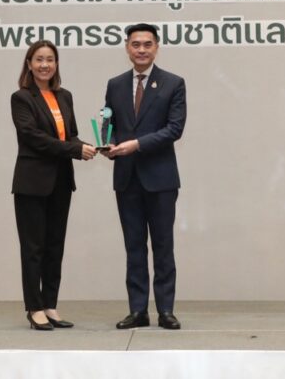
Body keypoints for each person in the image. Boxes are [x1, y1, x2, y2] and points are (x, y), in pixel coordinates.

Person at [102, 23, 187, 330]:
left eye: (147, 44)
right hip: (127, 179)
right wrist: (108, 144)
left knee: (163, 246)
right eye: (135, 44)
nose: (141, 50)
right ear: (127, 47)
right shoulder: (115, 84)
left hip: (161, 179)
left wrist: (136, 144)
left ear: (156, 47)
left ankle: (166, 310)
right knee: (134, 247)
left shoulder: (173, 83)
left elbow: (174, 129)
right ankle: (138, 310)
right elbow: (109, 121)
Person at [10, 40, 97, 330]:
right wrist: (74, 150)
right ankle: (34, 308)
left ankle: (50, 304)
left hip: (61, 181)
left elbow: (70, 135)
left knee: (54, 246)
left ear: (56, 64)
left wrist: (89, 147)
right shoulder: (21, 98)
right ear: (29, 64)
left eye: (50, 59)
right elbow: (32, 137)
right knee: (33, 248)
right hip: (32, 183)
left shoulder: (64, 96)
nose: (45, 65)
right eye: (39, 59)